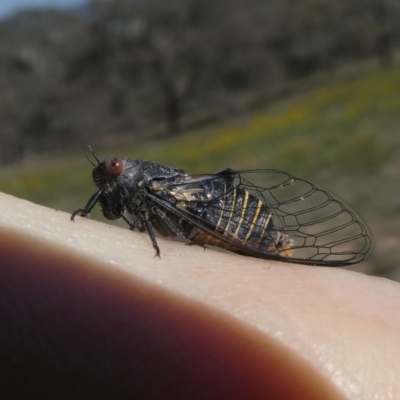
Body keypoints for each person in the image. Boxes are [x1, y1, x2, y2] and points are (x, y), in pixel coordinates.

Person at [0, 192, 398, 399]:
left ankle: (268, 239)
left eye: (113, 169)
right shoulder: (128, 193)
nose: (106, 179)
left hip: (211, 213)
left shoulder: (148, 190)